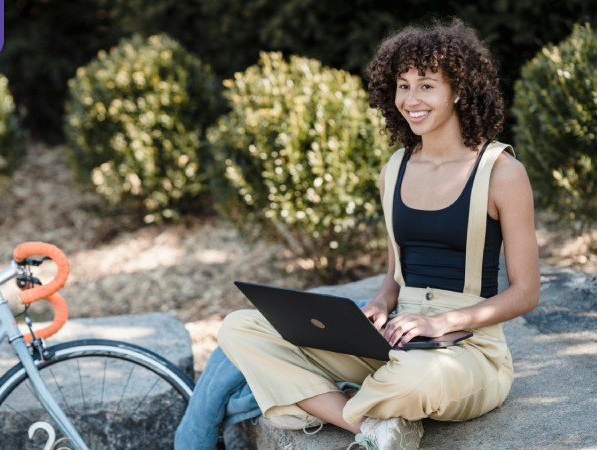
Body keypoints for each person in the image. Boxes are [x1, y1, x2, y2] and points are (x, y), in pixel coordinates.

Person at [217, 19, 540, 449]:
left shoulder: (501, 173)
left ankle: (323, 402)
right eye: (402, 86)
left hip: (467, 352)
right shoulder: (395, 169)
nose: (411, 99)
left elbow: (526, 292)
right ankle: (370, 425)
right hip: (394, 341)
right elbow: (396, 275)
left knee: (415, 378)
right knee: (240, 328)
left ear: (458, 89)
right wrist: (377, 306)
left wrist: (439, 322)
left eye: (426, 85)